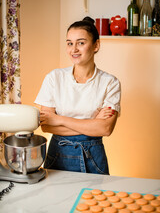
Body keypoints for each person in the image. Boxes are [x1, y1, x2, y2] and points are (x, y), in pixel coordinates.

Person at [34, 16, 121, 175]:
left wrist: (59, 119)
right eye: (69, 43)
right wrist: (92, 124)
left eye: (81, 43)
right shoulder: (54, 77)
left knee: (95, 199)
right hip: (57, 155)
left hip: (93, 157)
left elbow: (105, 128)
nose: (73, 49)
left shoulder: (110, 83)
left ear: (96, 45)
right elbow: (46, 125)